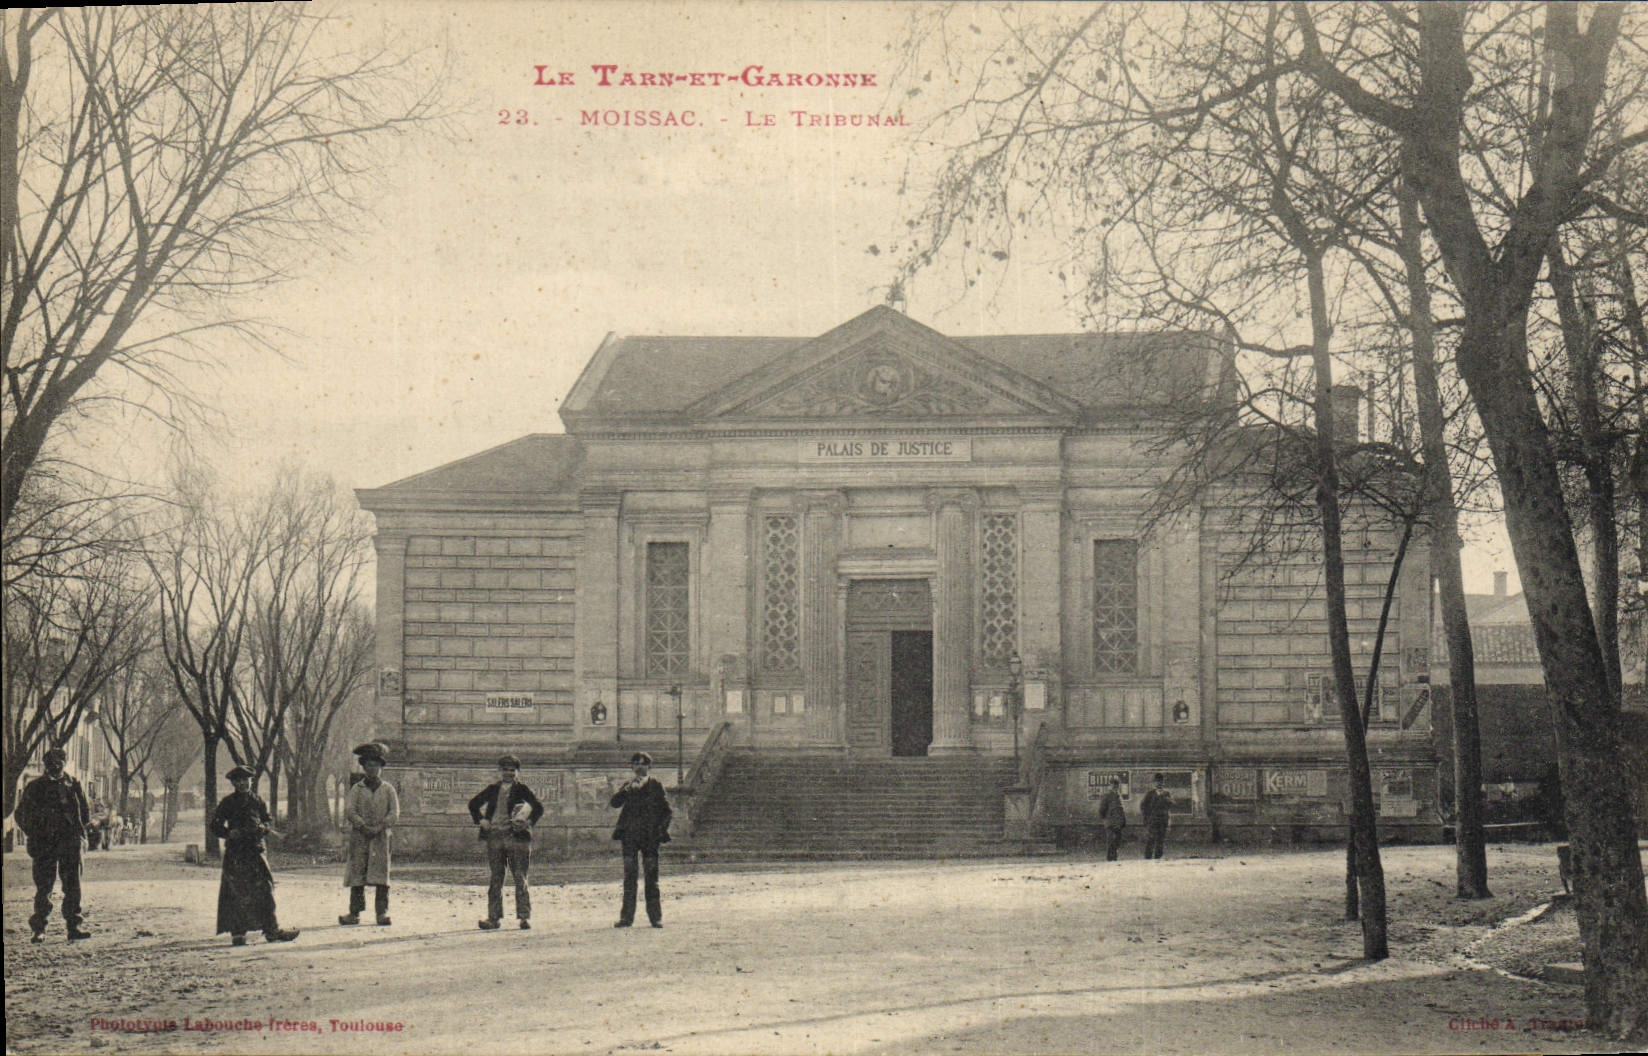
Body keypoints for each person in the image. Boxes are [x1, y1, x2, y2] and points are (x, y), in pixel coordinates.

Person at [209, 766, 300, 946]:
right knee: (236, 892)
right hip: (236, 853)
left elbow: (267, 819)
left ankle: (271, 930)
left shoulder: (258, 801)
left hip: (256, 851)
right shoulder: (227, 802)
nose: (243, 783)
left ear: (251, 781)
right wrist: (228, 833)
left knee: (265, 890)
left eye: (247, 780)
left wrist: (264, 827)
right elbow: (215, 825)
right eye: (239, 781)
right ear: (233, 783)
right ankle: (238, 933)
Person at [18, 747, 93, 942]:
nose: (55, 767)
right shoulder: (35, 787)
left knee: (72, 886)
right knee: (44, 887)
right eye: (51, 764)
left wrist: (78, 833)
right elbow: (21, 814)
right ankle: (39, 929)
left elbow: (85, 812)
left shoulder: (73, 784)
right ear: (46, 765)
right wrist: (34, 833)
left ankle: (74, 926)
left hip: (69, 842)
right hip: (45, 843)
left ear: (64, 764)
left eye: (59, 763)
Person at [467, 754, 544, 930]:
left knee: (520, 877)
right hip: (495, 838)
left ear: (518, 772)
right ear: (499, 771)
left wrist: (527, 823)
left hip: (517, 839)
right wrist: (481, 820)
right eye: (505, 770)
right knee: (496, 879)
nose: (509, 773)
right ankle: (493, 918)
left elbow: (538, 808)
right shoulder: (493, 789)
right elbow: (473, 804)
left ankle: (524, 917)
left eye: (512, 770)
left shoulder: (523, 790)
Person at [609, 752, 672, 928]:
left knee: (651, 877)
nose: (639, 767)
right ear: (631, 767)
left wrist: (660, 832)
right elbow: (614, 803)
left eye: (643, 764)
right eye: (635, 764)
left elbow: (667, 811)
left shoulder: (656, 786)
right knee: (629, 878)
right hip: (629, 838)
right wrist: (624, 790)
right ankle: (626, 918)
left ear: (649, 767)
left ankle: (655, 918)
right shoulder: (628, 786)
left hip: (650, 838)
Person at [339, 742, 399, 927]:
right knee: (357, 875)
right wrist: (363, 826)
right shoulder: (357, 789)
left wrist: (381, 826)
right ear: (364, 767)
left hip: (381, 837)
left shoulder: (388, 789)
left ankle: (382, 914)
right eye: (369, 766)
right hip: (360, 838)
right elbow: (350, 810)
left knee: (381, 876)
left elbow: (394, 812)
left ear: (381, 768)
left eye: (376, 766)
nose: (373, 769)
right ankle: (354, 913)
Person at [1140, 773, 1173, 860]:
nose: (1159, 783)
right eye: (1157, 781)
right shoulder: (1150, 794)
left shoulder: (1166, 794)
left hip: (1163, 821)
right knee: (1151, 839)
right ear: (1154, 783)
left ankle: (1158, 859)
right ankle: (1147, 859)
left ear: (1163, 783)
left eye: (1161, 781)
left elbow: (1170, 806)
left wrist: (1169, 801)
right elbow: (1143, 806)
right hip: (1153, 821)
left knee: (1160, 840)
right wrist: (1147, 819)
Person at [1098, 776, 1127, 862]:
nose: (1115, 786)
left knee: (1117, 840)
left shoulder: (1119, 796)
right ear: (1110, 785)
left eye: (1116, 784)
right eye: (1113, 784)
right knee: (1111, 840)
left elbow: (1121, 809)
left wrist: (1123, 820)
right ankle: (1110, 859)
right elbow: (1102, 809)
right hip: (1110, 822)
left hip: (1118, 823)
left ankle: (1114, 857)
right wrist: (1106, 819)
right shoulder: (1106, 795)